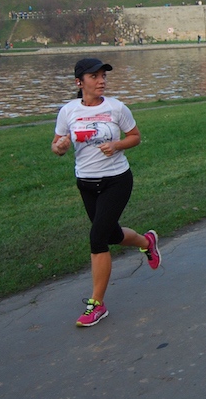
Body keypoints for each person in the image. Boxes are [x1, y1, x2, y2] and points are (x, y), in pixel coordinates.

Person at [52, 58, 161, 327]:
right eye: (94, 76)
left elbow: (135, 136)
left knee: (97, 237)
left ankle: (97, 304)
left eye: (103, 76)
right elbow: (57, 145)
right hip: (86, 183)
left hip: (116, 180)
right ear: (79, 82)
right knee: (111, 235)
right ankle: (147, 242)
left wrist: (117, 145)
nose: (101, 81)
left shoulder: (116, 107)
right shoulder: (68, 111)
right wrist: (60, 147)